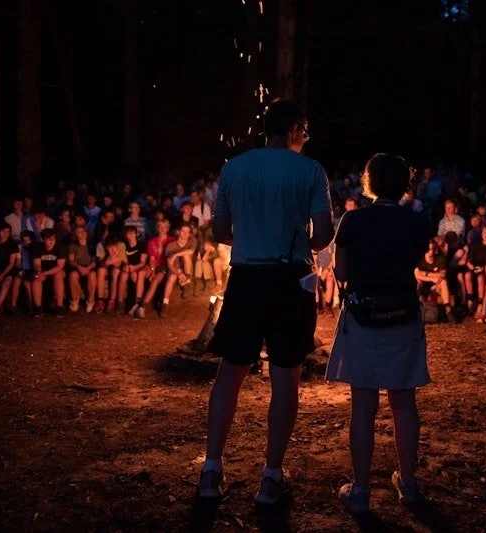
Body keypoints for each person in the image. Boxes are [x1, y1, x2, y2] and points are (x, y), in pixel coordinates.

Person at [198, 99, 333, 505]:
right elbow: (324, 234)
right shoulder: (310, 170)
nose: (305, 139)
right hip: (289, 278)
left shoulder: (234, 167)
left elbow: (220, 230)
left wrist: (255, 239)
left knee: (230, 374)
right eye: (305, 132)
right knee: (285, 377)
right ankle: (270, 478)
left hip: (246, 276)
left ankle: (210, 471)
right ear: (294, 129)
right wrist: (293, 241)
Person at [326, 153, 431, 514]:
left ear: (368, 182)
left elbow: (340, 271)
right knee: (404, 402)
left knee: (364, 405)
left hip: (364, 316)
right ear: (405, 184)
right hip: (402, 315)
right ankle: (409, 484)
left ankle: (360, 490)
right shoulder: (417, 222)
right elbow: (413, 261)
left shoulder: (352, 220)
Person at [135, 218, 174, 319]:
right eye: (160, 226)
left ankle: (142, 307)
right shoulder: (152, 241)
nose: (162, 229)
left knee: (155, 280)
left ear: (168, 228)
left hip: (164, 266)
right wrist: (152, 270)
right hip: (154, 264)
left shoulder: (171, 240)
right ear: (157, 228)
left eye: (164, 227)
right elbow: (152, 258)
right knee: (141, 273)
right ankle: (137, 301)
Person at [161, 223, 197, 317]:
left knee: (186, 255)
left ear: (190, 234)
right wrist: (178, 274)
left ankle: (186, 283)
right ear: (178, 232)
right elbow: (170, 265)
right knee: (172, 277)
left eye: (187, 232)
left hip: (187, 269)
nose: (185, 234)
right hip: (175, 269)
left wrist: (176, 254)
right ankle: (165, 304)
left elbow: (191, 251)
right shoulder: (170, 246)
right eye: (183, 231)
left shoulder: (192, 241)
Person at [31, 229, 67, 318]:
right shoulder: (37, 247)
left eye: (53, 239)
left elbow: (60, 266)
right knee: (36, 277)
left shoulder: (60, 246)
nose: (51, 241)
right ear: (42, 240)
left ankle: (59, 307)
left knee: (58, 274)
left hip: (55, 271)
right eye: (48, 239)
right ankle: (38, 308)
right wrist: (39, 272)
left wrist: (45, 273)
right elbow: (36, 264)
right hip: (43, 271)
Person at [465, 225, 486, 320]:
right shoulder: (476, 245)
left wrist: (482, 269)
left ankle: (480, 304)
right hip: (474, 267)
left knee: (481, 278)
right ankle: (470, 300)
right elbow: (468, 261)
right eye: (485, 232)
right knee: (468, 275)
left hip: (485, 269)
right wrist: (471, 267)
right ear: (482, 233)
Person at [67, 226, 98, 313]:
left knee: (92, 275)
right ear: (75, 235)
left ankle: (90, 301)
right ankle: (74, 301)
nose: (82, 233)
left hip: (89, 268)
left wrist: (87, 268)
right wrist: (79, 267)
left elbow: (95, 261)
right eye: (79, 232)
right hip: (77, 268)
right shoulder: (73, 245)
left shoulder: (92, 245)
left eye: (84, 231)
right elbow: (71, 260)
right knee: (73, 275)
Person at [96, 236, 128, 313]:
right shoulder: (100, 245)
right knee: (101, 270)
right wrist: (109, 260)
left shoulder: (121, 245)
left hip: (117, 267)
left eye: (114, 246)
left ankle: (112, 300)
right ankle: (100, 301)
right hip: (105, 265)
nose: (113, 249)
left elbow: (118, 264)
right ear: (106, 247)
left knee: (116, 271)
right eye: (110, 247)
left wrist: (113, 258)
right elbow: (102, 264)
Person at [123, 225, 148, 316]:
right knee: (133, 275)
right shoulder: (124, 245)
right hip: (129, 268)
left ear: (136, 234)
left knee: (135, 274)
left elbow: (143, 262)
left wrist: (134, 267)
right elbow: (123, 259)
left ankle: (137, 303)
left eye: (132, 232)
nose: (131, 235)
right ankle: (136, 303)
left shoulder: (141, 244)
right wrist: (128, 266)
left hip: (139, 267)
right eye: (128, 233)